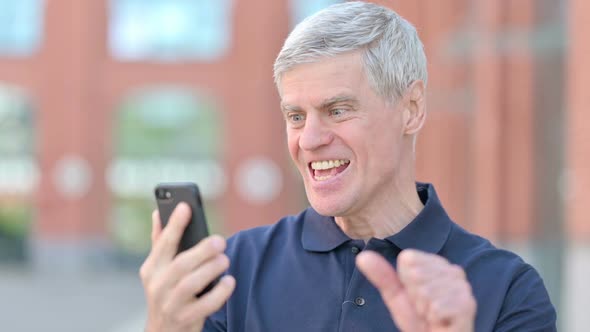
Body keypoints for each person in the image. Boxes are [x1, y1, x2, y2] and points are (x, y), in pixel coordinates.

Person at [139, 2, 557, 331]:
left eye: (338, 110)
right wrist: (163, 328)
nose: (309, 139)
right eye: (296, 115)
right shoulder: (233, 271)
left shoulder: (508, 291)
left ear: (411, 109)